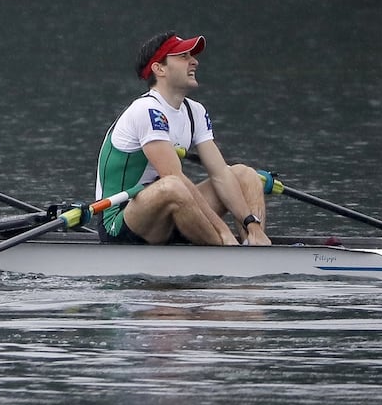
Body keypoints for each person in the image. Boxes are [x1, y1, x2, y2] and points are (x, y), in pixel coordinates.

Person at [95, 31, 272, 247]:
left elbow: (220, 174)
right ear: (159, 69)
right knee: (173, 184)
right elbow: (173, 177)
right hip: (121, 221)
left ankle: (255, 244)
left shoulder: (194, 112)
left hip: (171, 214)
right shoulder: (147, 109)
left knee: (245, 174)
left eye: (192, 56)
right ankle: (225, 249)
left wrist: (251, 222)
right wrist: (223, 233)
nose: (194, 62)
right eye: (183, 57)